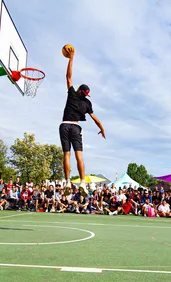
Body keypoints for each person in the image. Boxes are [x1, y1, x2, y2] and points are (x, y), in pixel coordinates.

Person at [59, 47, 106, 198]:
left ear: (78, 90)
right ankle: (83, 184)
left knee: (67, 154)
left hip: (65, 125)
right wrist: (102, 128)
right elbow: (95, 118)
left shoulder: (72, 93)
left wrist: (71, 59)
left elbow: (68, 77)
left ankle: (67, 182)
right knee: (79, 156)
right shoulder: (87, 104)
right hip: (76, 127)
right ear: (85, 93)